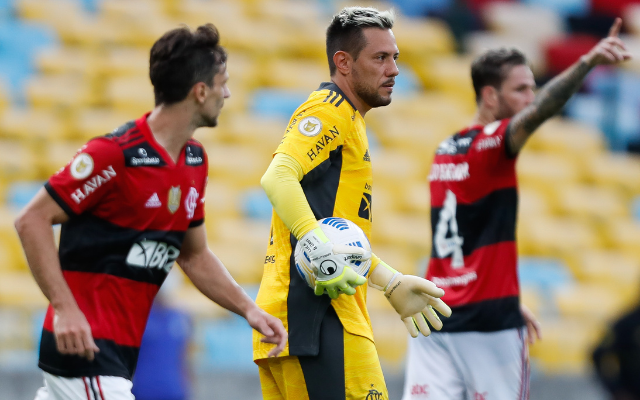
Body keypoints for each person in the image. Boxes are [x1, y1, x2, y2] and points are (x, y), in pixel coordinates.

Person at [15, 24, 287, 400]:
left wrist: (249, 311)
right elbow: (31, 219)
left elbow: (193, 253)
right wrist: (64, 309)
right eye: (222, 82)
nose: (227, 93)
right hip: (88, 348)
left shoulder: (194, 160)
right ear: (200, 90)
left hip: (118, 356)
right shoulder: (113, 154)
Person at [402, 19, 631, 400]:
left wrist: (503, 295)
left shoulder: (447, 149)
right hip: (487, 324)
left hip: (437, 316)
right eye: (521, 89)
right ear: (490, 96)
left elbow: (462, 233)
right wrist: (587, 62)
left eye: (532, 88)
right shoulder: (492, 143)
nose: (530, 97)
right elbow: (542, 111)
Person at [252, 7, 452, 400]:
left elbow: (336, 232)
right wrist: (313, 244)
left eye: (396, 58)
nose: (394, 69)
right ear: (343, 62)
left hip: (310, 316)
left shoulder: (351, 122)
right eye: (380, 58)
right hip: (318, 315)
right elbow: (277, 176)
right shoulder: (329, 112)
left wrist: (389, 282)